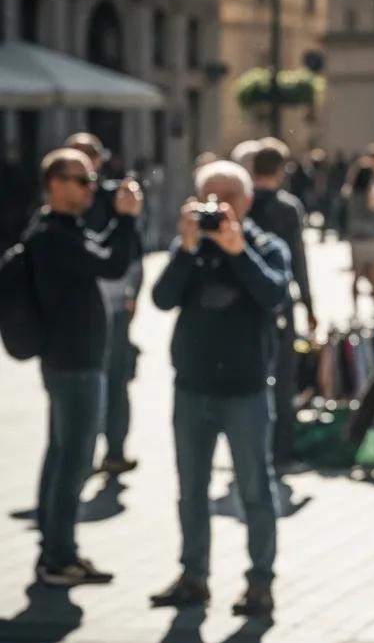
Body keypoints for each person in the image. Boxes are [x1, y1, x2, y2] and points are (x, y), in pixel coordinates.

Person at [150, 160, 290, 616]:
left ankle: (260, 582)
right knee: (191, 490)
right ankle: (193, 577)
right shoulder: (190, 248)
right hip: (192, 388)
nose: (217, 205)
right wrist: (187, 249)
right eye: (208, 197)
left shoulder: (266, 247)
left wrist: (238, 251)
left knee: (255, 490)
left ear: (246, 201)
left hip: (246, 391)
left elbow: (273, 295)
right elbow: (162, 298)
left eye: (227, 196)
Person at [26, 148, 143, 585]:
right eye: (82, 180)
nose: (91, 188)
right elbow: (113, 264)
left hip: (71, 360)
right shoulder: (53, 235)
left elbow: (101, 255)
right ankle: (59, 557)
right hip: (74, 363)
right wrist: (126, 219)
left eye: (92, 180)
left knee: (61, 454)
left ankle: (54, 550)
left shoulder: (59, 230)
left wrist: (119, 221)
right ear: (55, 184)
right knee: (74, 461)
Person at [65, 133, 145, 477]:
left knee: (114, 379)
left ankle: (114, 450)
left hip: (112, 304)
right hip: (74, 309)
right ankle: (78, 454)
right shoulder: (60, 206)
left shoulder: (113, 197)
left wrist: (132, 293)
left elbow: (131, 253)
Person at [249, 140, 317, 471]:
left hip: (246, 300)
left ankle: (251, 447)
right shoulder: (288, 208)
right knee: (284, 376)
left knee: (252, 375)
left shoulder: (244, 203)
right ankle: (282, 452)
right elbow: (298, 261)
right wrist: (309, 304)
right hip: (279, 299)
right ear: (280, 170)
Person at [342, 150, 374, 314]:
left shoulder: (350, 194)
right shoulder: (371, 192)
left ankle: (355, 309)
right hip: (369, 235)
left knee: (356, 273)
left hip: (355, 236)